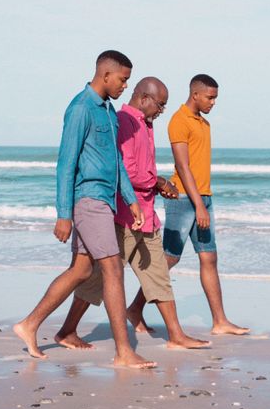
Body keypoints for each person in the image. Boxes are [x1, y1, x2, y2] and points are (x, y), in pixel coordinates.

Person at [13, 51, 157, 369]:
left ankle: (29, 325)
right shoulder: (80, 109)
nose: (125, 86)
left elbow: (117, 161)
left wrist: (131, 199)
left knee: (81, 270)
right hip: (88, 201)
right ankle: (124, 352)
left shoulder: (107, 111)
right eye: (122, 80)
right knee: (113, 269)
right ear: (105, 75)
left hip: (104, 200)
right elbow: (66, 163)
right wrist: (64, 214)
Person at [54, 77, 211, 351]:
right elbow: (124, 170)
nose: (162, 110)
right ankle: (67, 330)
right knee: (97, 278)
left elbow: (142, 169)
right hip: (125, 216)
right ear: (144, 98)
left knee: (158, 274)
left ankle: (176, 334)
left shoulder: (146, 124)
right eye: (160, 105)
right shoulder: (124, 121)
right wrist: (159, 182)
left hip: (146, 215)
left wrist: (156, 185)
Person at [129, 73, 250, 337]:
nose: (213, 102)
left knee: (209, 257)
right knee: (169, 259)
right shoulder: (178, 121)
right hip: (184, 199)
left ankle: (220, 321)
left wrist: (204, 202)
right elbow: (183, 167)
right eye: (210, 97)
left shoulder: (204, 124)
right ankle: (135, 308)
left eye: (215, 98)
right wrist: (199, 206)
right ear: (195, 94)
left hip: (203, 197)